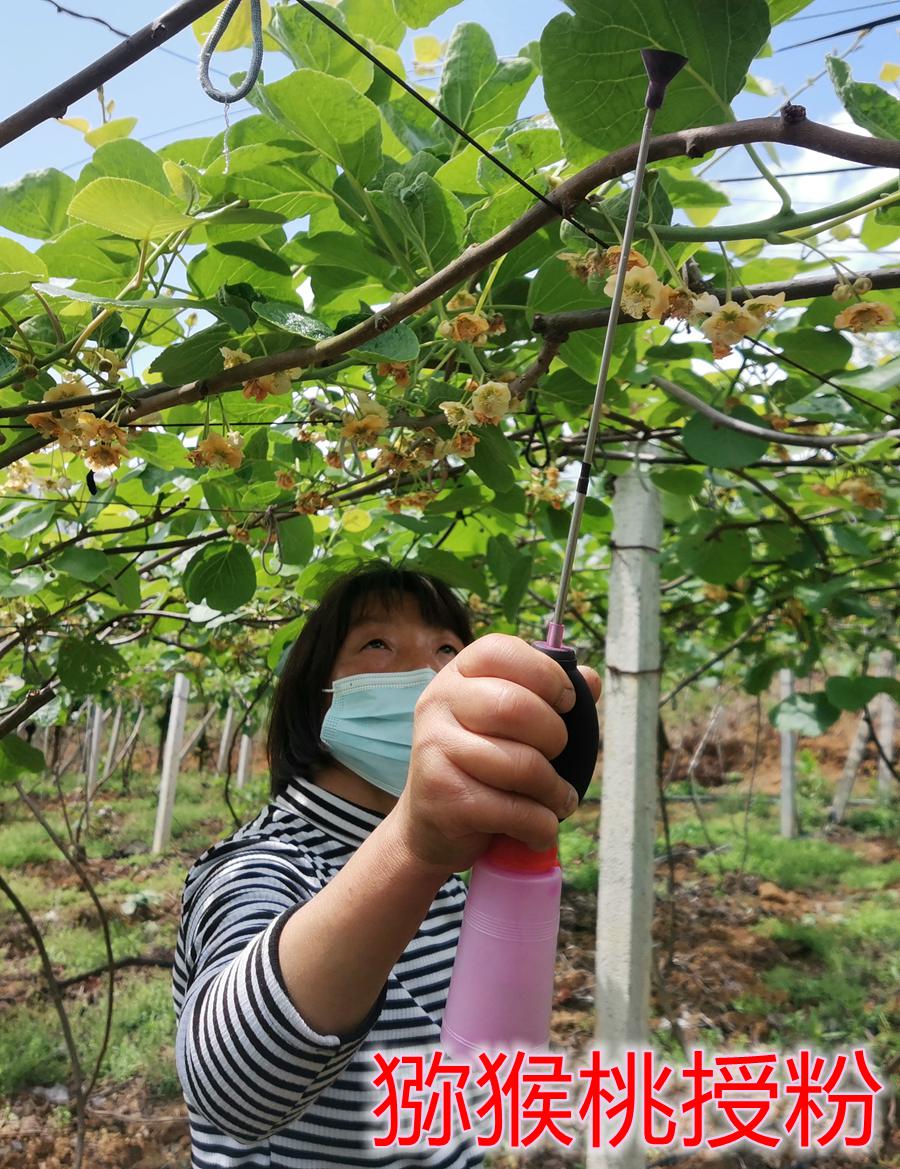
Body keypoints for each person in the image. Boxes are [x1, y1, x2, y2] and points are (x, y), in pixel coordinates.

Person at [173, 564, 601, 1168]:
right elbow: (234, 1093)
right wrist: (414, 845)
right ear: (314, 690)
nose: (425, 673)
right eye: (377, 644)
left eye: (447, 650)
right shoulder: (259, 868)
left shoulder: (451, 874)